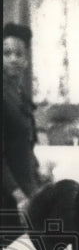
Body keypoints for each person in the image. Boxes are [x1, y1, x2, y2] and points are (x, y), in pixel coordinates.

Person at [2, 23, 40, 227]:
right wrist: (18, 196)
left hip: (25, 187)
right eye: (6, 53)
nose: (13, 59)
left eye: (18, 54)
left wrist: (37, 168)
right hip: (8, 195)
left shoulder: (20, 94)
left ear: (26, 60)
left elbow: (25, 142)